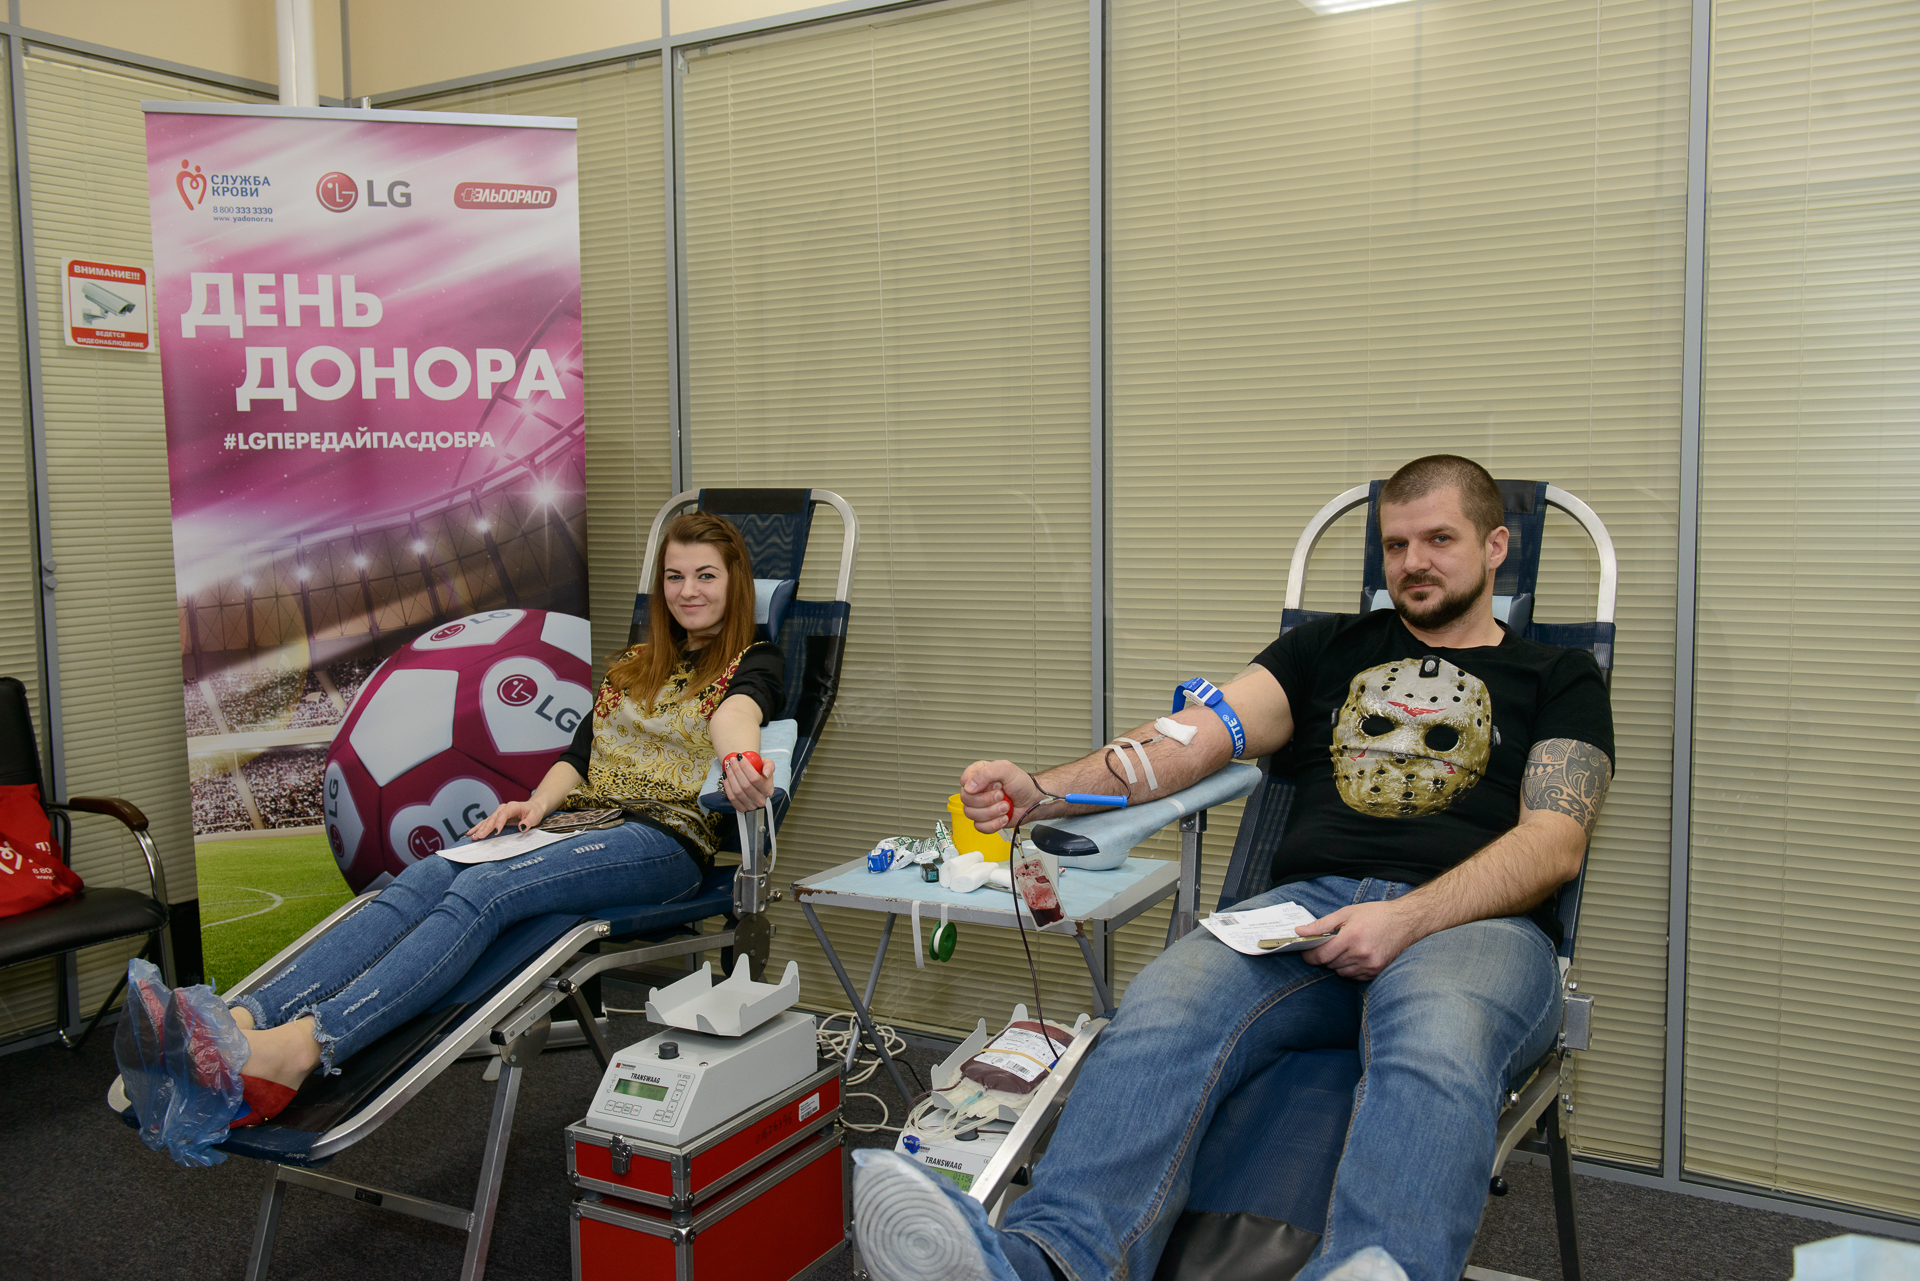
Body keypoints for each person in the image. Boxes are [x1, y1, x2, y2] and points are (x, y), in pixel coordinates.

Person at [851, 455, 1615, 1281]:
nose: (1412, 562)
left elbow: (1554, 842)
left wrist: (1405, 918)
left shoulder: (1559, 675)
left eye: (1439, 539)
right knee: (1163, 1006)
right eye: (1395, 545)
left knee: (1437, 1042)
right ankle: (1048, 1261)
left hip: (1473, 925)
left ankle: (1377, 1266)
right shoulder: (1326, 647)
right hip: (1305, 912)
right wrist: (1043, 790)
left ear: (1495, 546)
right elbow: (1186, 742)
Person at [125, 512, 783, 1136]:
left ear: (735, 584)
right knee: (426, 873)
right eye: (675, 576)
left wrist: (737, 760)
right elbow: (582, 754)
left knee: (487, 889)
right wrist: (536, 805)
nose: (688, 590)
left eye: (706, 576)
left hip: (662, 839)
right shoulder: (635, 665)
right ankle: (235, 1023)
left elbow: (738, 714)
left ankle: (302, 1047)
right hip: (580, 823)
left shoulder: (756, 657)